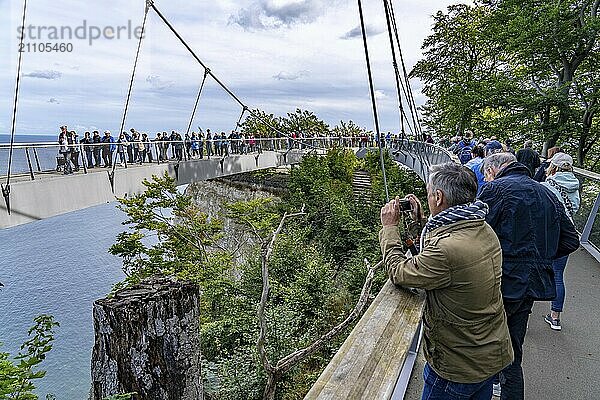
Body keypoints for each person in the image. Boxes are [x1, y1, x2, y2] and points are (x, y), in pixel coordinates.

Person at [380, 162, 513, 400]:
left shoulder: (446, 250)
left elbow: (400, 271)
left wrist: (390, 228)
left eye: (430, 192)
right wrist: (420, 221)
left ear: (438, 197)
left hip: (457, 365)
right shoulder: (481, 227)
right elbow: (435, 258)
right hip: (488, 353)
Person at [478, 153, 579, 399]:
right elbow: (571, 239)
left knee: (482, 349)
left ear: (493, 170)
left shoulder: (495, 190)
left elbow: (474, 235)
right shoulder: (547, 194)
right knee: (513, 354)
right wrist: (542, 257)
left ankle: (489, 386)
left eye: (486, 174)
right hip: (531, 286)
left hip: (499, 282)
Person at [541, 152, 581, 331]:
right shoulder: (575, 186)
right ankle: (555, 317)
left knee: (536, 270)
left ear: (554, 167)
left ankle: (524, 315)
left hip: (547, 234)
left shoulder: (546, 185)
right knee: (558, 274)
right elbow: (575, 209)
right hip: (565, 233)